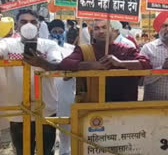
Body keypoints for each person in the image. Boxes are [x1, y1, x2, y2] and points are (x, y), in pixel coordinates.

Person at [24, 19, 152, 103]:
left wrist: (120, 63)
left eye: (104, 27)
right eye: (96, 29)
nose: (100, 31)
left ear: (113, 31)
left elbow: (146, 64)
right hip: (93, 107)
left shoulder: (126, 49)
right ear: (92, 33)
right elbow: (65, 64)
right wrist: (92, 65)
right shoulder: (84, 50)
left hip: (124, 106)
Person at [0, 9, 61, 155]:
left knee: (46, 151)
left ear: (39, 25)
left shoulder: (49, 45)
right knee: (22, 151)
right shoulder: (8, 44)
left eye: (33, 22)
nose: (29, 25)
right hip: (18, 110)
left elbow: (57, 63)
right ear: (16, 25)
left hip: (46, 108)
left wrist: (43, 62)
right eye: (24, 22)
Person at [48, 19, 75, 155]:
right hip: (48, 95)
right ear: (49, 33)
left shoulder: (72, 49)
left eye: (60, 31)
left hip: (67, 94)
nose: (58, 34)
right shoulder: (45, 48)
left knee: (66, 130)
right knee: (48, 130)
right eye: (54, 32)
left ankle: (65, 152)